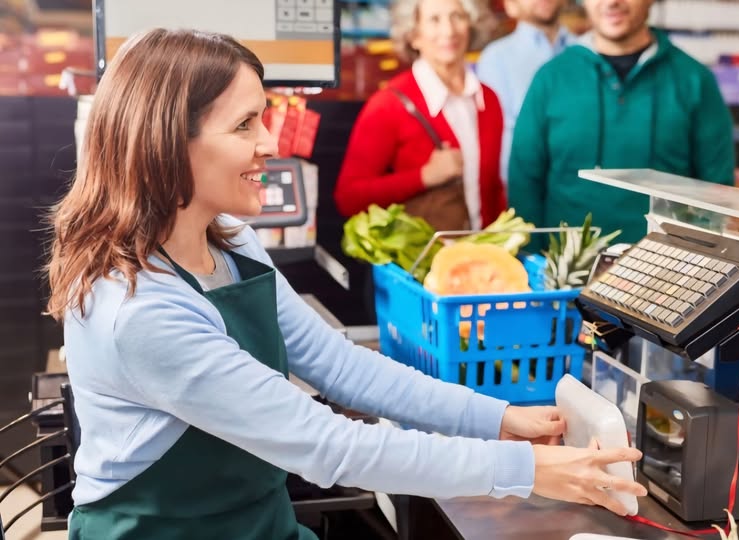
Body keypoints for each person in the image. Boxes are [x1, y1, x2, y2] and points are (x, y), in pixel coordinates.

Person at [46, 28, 646, 540]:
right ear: (169, 142)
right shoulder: (139, 308)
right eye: (245, 124)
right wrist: (528, 469)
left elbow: (338, 364)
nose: (270, 144)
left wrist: (496, 416)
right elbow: (327, 445)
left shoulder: (227, 237)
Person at [508, 0, 735, 245]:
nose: (612, 2)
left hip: (668, 273)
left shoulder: (695, 80)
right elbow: (524, 182)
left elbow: (716, 191)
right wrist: (531, 261)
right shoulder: (551, 79)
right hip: (565, 271)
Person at [334, 0, 506, 232]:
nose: (449, 30)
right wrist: (424, 176)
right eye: (434, 20)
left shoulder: (488, 100)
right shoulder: (388, 105)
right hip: (416, 262)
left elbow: (493, 190)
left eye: (457, 16)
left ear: (471, 25)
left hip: (480, 258)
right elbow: (348, 197)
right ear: (414, 35)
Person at [476, 0, 575, 184]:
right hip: (524, 186)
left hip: (583, 185)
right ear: (510, 5)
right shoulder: (496, 58)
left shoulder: (588, 50)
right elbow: (498, 139)